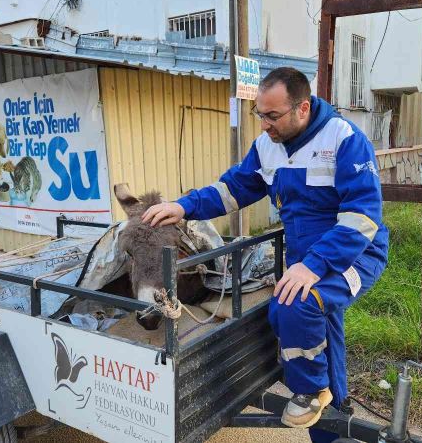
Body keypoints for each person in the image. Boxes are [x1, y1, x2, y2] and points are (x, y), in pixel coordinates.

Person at [142, 67, 389, 442]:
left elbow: (362, 217)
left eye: (272, 116)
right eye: (259, 114)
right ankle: (329, 413)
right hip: (306, 259)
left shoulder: (344, 139)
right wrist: (184, 206)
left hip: (356, 254)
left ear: (302, 108)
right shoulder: (267, 147)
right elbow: (233, 189)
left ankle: (311, 392)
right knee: (314, 323)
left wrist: (314, 265)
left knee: (296, 307)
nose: (263, 125)